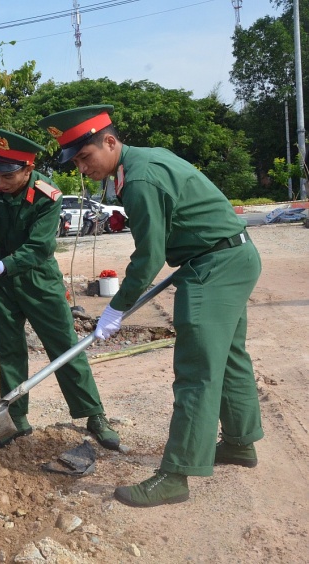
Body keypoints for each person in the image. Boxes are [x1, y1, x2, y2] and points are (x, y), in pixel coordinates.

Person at [38, 105, 263, 508]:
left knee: (197, 371)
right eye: (76, 162)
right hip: (230, 256)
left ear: (110, 142)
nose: (82, 168)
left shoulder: (139, 178)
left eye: (86, 157)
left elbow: (149, 257)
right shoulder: (143, 159)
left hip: (212, 267)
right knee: (229, 357)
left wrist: (115, 309)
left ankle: (176, 476)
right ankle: (239, 444)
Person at [0, 127, 121, 450]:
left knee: (64, 346)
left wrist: (3, 265)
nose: (0, 183)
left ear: (27, 169)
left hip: (39, 279)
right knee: (9, 351)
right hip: (2, 282)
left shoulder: (49, 196)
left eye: (8, 176)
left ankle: (93, 414)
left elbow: (39, 247)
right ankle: (16, 420)